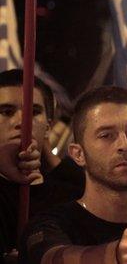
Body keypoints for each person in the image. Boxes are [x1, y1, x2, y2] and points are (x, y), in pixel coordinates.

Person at [20, 86, 127, 264]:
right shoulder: (48, 226)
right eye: (106, 135)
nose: (125, 145)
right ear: (78, 154)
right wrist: (117, 256)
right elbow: (53, 258)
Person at [0, 69, 84, 262]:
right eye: (6, 111)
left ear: (47, 126)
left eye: (34, 112)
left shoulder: (71, 196)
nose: (22, 121)